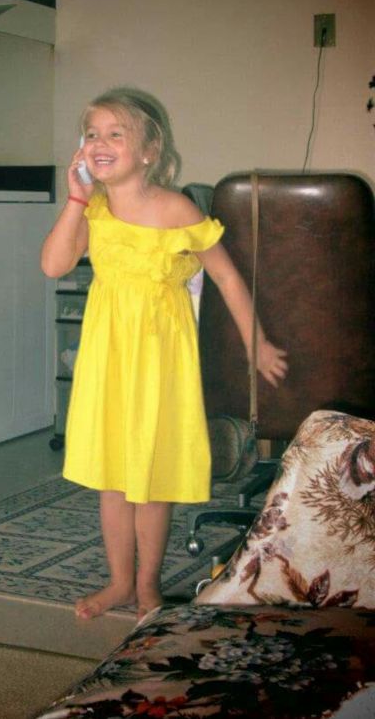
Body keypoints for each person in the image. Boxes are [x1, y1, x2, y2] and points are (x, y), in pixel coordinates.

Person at [40, 87, 288, 622]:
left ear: (149, 151)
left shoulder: (176, 208)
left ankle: (147, 586)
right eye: (91, 134)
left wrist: (257, 343)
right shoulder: (94, 209)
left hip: (159, 363)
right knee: (112, 478)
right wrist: (75, 199)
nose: (99, 143)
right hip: (108, 360)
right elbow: (54, 265)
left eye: (115, 134)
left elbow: (226, 276)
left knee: (150, 480)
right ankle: (118, 582)